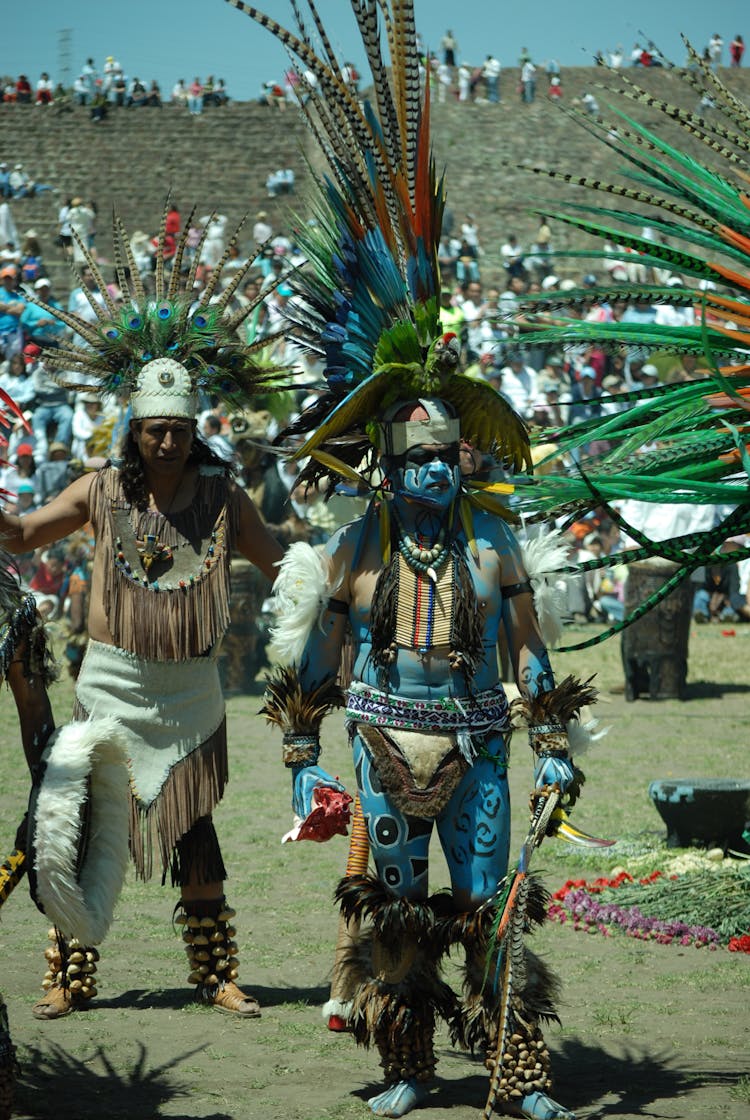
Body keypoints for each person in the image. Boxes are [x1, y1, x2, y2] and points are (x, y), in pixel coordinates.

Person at [0, 215, 288, 1021]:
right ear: (134, 427)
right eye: (155, 429)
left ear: (197, 431)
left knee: (196, 831)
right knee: (87, 827)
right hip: (112, 685)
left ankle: (215, 973)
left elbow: (281, 565)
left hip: (193, 693)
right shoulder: (101, 490)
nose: (167, 441)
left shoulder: (223, 496)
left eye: (180, 430)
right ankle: (67, 973)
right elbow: (23, 534)